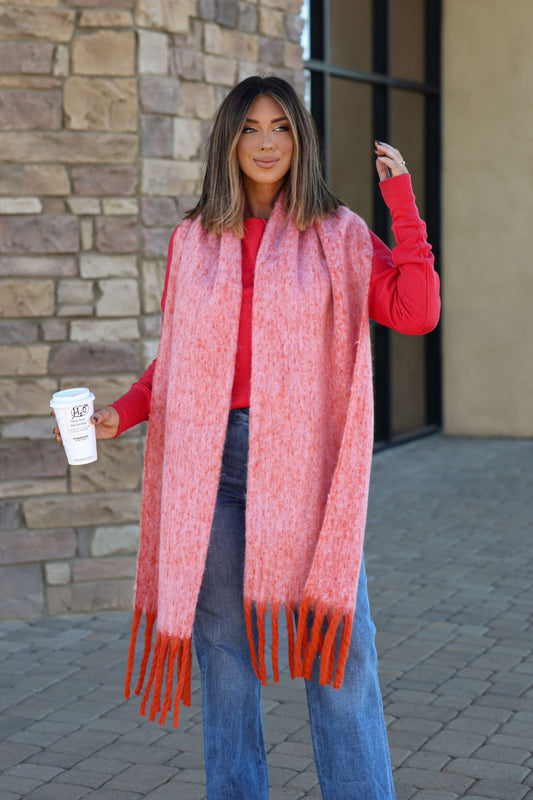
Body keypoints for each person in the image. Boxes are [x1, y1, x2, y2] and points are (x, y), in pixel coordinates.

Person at [54, 75, 440, 799]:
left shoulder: (338, 234)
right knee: (225, 658)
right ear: (228, 142)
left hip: (306, 472)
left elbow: (414, 312)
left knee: (340, 653)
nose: (266, 143)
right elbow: (179, 362)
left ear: (301, 140)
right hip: (214, 472)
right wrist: (120, 414)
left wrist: (404, 209)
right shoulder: (193, 240)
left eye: (281, 128)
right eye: (250, 129)